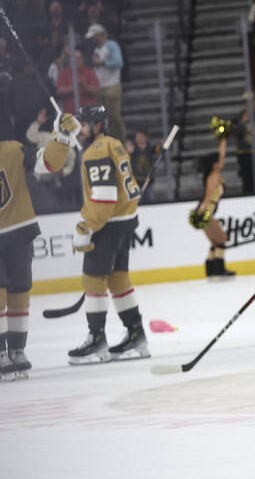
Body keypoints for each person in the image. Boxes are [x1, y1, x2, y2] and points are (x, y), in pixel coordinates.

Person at [50, 106, 150, 363]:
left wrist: (87, 227)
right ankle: (136, 333)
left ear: (96, 125)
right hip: (125, 222)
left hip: (107, 224)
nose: (79, 129)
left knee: (93, 280)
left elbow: (105, 197)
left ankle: (97, 340)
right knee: (118, 280)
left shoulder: (96, 151)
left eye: (83, 124)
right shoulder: (114, 144)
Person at [0, 113, 72, 379]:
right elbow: (49, 163)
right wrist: (62, 138)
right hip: (20, 229)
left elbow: (47, 163)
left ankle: (14, 351)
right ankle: (12, 352)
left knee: (17, 292)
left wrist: (62, 138)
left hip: (18, 230)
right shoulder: (14, 149)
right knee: (17, 292)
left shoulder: (14, 149)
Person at [189, 118, 236, 279]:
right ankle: (219, 269)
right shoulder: (213, 176)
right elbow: (209, 194)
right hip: (206, 210)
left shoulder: (214, 172)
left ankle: (210, 269)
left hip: (206, 210)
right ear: (214, 164)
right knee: (222, 239)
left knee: (216, 241)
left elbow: (221, 156)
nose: (222, 162)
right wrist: (203, 209)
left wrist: (223, 139)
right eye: (219, 162)